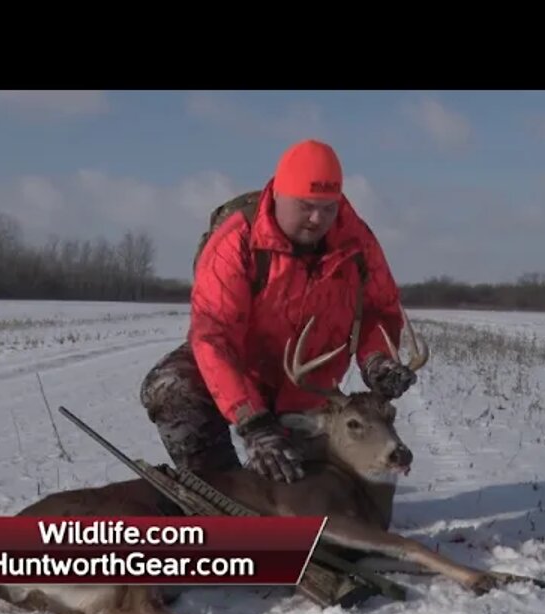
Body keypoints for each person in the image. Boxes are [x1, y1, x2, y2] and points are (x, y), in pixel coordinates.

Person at [139, 138, 418, 484]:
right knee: (171, 387)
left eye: (329, 207)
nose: (318, 219)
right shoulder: (237, 239)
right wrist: (253, 421)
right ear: (279, 194)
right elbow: (213, 334)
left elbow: (379, 310)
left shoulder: (357, 241)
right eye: (306, 206)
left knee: (308, 491)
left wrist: (377, 359)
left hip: (309, 391)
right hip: (240, 373)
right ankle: (221, 489)